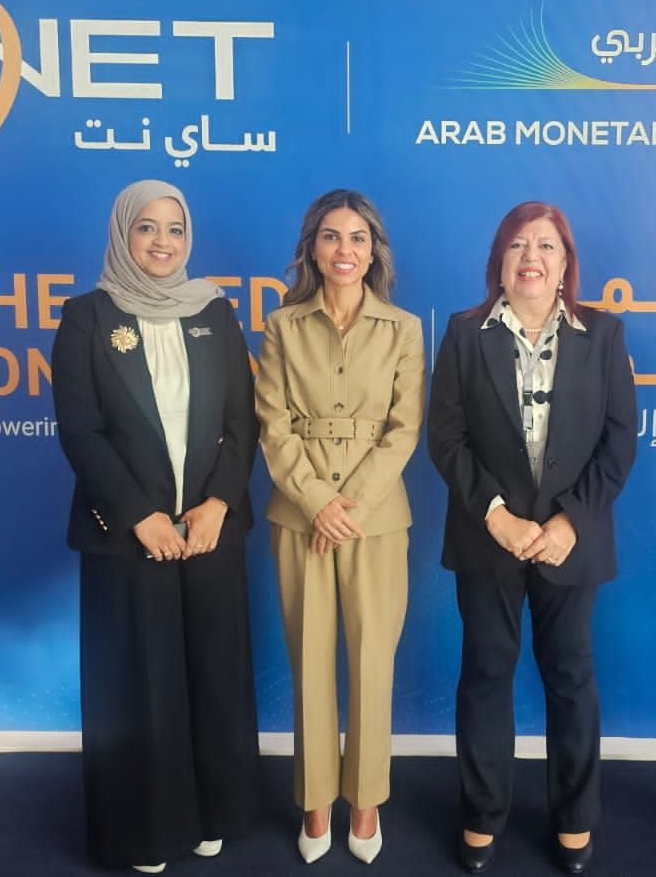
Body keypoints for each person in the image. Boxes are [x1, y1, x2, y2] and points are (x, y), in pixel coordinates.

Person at [51, 179, 261, 874]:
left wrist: (219, 503)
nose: (162, 242)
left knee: (212, 674)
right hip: (128, 536)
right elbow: (81, 432)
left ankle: (212, 812)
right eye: (146, 227)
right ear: (122, 234)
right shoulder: (86, 317)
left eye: (174, 228)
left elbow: (242, 421)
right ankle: (146, 830)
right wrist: (139, 516)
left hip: (208, 532)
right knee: (142, 684)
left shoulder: (215, 313)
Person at [427, 201, 637, 875]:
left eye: (546, 246)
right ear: (499, 261)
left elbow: (619, 441)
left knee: (571, 677)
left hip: (570, 539)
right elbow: (446, 438)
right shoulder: (464, 333)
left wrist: (570, 521)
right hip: (487, 534)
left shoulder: (603, 334)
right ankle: (483, 812)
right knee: (486, 673)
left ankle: (575, 817)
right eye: (518, 245)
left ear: (566, 262)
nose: (531, 258)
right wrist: (496, 515)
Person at [254, 188, 425, 866]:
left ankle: (366, 800)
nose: (344, 250)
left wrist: (345, 505)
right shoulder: (281, 326)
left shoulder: (403, 328)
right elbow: (273, 425)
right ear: (312, 248)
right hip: (299, 518)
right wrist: (315, 501)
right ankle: (315, 800)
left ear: (374, 250)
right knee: (310, 662)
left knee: (373, 661)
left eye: (358, 238)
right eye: (331, 236)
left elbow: (404, 428)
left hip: (375, 521)